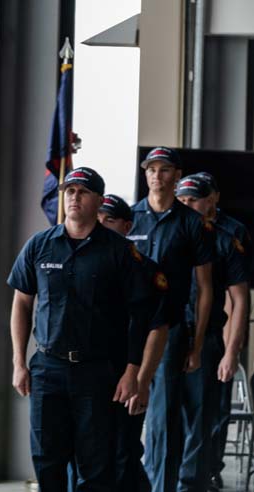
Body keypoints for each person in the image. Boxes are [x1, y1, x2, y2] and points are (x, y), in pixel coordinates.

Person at [9, 167, 165, 491]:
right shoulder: (39, 246)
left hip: (97, 372)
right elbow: (22, 304)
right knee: (47, 459)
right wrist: (18, 363)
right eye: (69, 191)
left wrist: (132, 371)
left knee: (95, 465)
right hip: (47, 368)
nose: (74, 197)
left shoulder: (120, 251)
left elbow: (141, 315)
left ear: (98, 200)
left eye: (82, 192)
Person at [127, 147, 215, 492]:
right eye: (151, 169)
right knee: (122, 415)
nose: (157, 176)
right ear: (145, 174)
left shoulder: (192, 223)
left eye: (165, 170)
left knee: (162, 421)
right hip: (126, 332)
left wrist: (196, 344)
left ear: (177, 175)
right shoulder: (130, 217)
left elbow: (205, 288)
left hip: (169, 331)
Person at [176, 174, 250, 491]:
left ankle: (199, 475)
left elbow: (238, 299)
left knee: (210, 415)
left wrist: (231, 351)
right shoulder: (172, 227)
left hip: (211, 337)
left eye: (194, 199)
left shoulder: (230, 234)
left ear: (213, 199)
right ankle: (181, 475)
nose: (187, 206)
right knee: (174, 414)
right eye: (182, 200)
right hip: (171, 333)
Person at [97, 194, 170, 492]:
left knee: (124, 452)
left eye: (109, 220)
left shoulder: (146, 270)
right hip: (89, 375)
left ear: (127, 226)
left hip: (127, 376)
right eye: (98, 218)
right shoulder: (84, 264)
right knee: (88, 454)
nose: (101, 225)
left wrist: (141, 380)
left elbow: (157, 328)